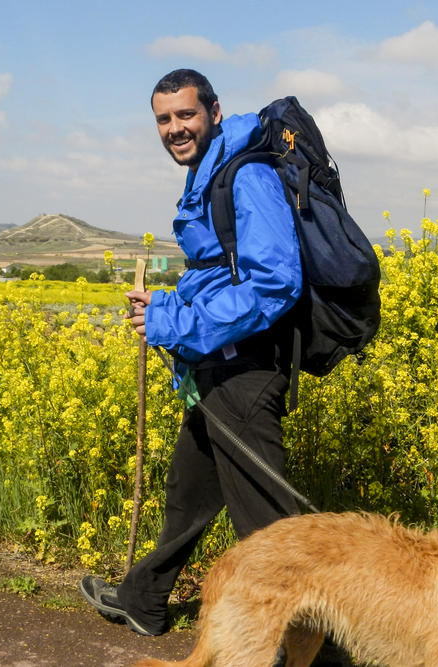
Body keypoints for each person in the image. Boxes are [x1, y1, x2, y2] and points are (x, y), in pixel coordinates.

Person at [79, 69, 304, 637]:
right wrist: (168, 305)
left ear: (214, 111)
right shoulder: (211, 172)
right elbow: (222, 273)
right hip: (218, 366)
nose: (175, 128)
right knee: (188, 494)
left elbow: (274, 283)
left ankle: (314, 638)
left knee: (272, 527)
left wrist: (173, 320)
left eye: (185, 114)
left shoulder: (245, 174)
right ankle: (144, 599)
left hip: (244, 373)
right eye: (163, 118)